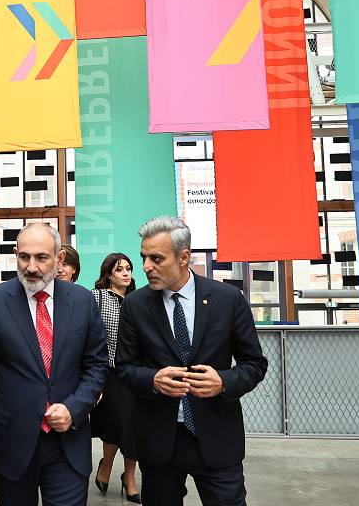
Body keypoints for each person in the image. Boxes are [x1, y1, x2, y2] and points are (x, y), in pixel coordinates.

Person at [115, 216, 268, 506]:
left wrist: (224, 381)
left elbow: (255, 364)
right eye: (144, 257)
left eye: (156, 258)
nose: (146, 267)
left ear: (184, 257)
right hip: (160, 442)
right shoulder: (135, 305)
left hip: (217, 438)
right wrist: (153, 380)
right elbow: (124, 368)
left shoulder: (228, 299)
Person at [0, 223, 108, 506]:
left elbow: (97, 367)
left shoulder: (82, 302)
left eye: (41, 257)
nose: (31, 267)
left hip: (68, 444)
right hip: (10, 444)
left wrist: (74, 407)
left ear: (60, 259)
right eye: (24, 257)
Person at [90, 253, 140, 503]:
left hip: (135, 373)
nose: (125, 273)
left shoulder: (139, 299)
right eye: (120, 269)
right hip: (107, 372)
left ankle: (129, 478)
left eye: (129, 269)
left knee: (134, 428)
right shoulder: (95, 297)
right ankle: (107, 464)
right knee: (113, 426)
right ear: (108, 273)